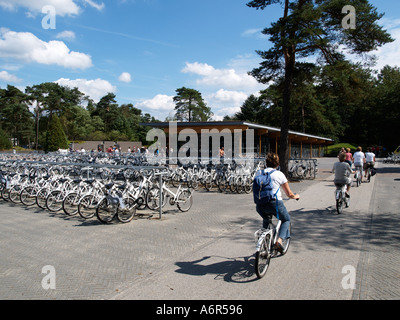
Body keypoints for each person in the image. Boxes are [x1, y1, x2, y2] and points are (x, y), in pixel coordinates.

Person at [255, 153, 300, 253]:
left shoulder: (259, 173)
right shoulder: (279, 174)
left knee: (266, 219)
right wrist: (295, 196)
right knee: (286, 219)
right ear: (277, 164)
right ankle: (279, 241)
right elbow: (289, 194)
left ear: (266, 163)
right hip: (274, 204)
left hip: (260, 204)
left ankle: (265, 243)